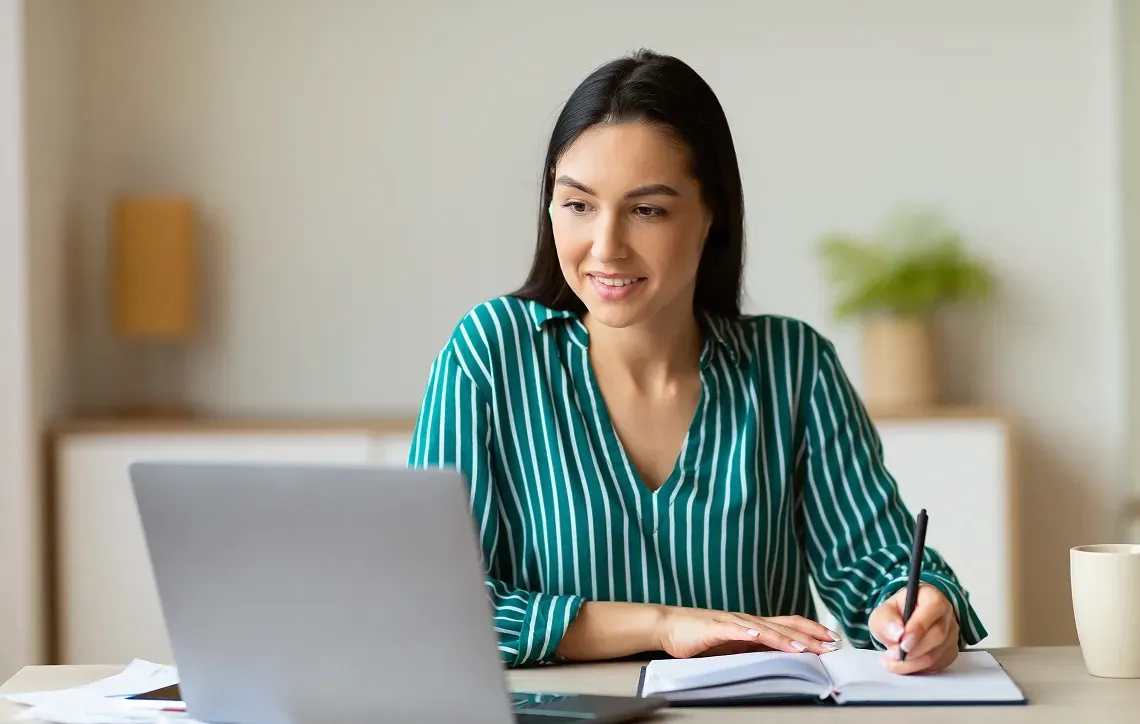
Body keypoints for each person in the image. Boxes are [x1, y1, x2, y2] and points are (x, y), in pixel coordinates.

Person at [407, 49, 986, 673]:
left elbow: (876, 567)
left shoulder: (792, 367)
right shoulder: (491, 354)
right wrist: (664, 625)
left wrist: (918, 610)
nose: (606, 247)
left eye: (647, 209)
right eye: (578, 205)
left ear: (712, 216)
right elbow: (424, 605)